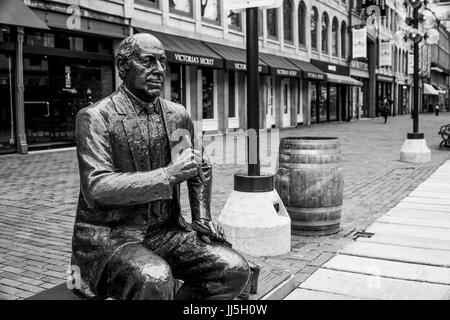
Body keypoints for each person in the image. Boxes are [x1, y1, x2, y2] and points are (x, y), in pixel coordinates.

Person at [71, 33, 250, 300]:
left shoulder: (177, 114)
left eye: (163, 62)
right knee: (155, 277)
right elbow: (96, 188)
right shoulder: (96, 118)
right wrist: (168, 176)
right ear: (123, 67)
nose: (159, 70)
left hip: (166, 230)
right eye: (148, 61)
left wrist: (201, 218)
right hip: (113, 235)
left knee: (233, 269)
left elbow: (198, 167)